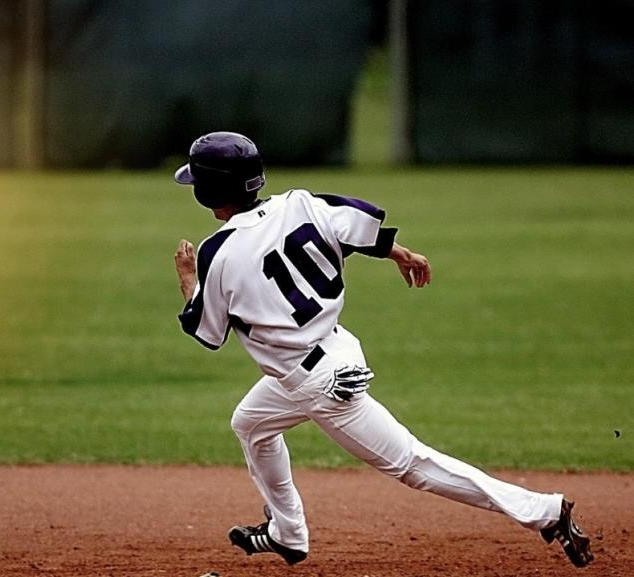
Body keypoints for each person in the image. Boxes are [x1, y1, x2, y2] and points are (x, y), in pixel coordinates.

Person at [171, 132, 593, 568]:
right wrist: (400, 253)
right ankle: (288, 533)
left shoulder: (216, 252)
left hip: (315, 382)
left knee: (413, 464)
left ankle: (544, 511)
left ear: (208, 192)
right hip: (331, 353)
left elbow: (207, 331)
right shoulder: (300, 203)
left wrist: (188, 278)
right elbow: (356, 224)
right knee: (251, 425)